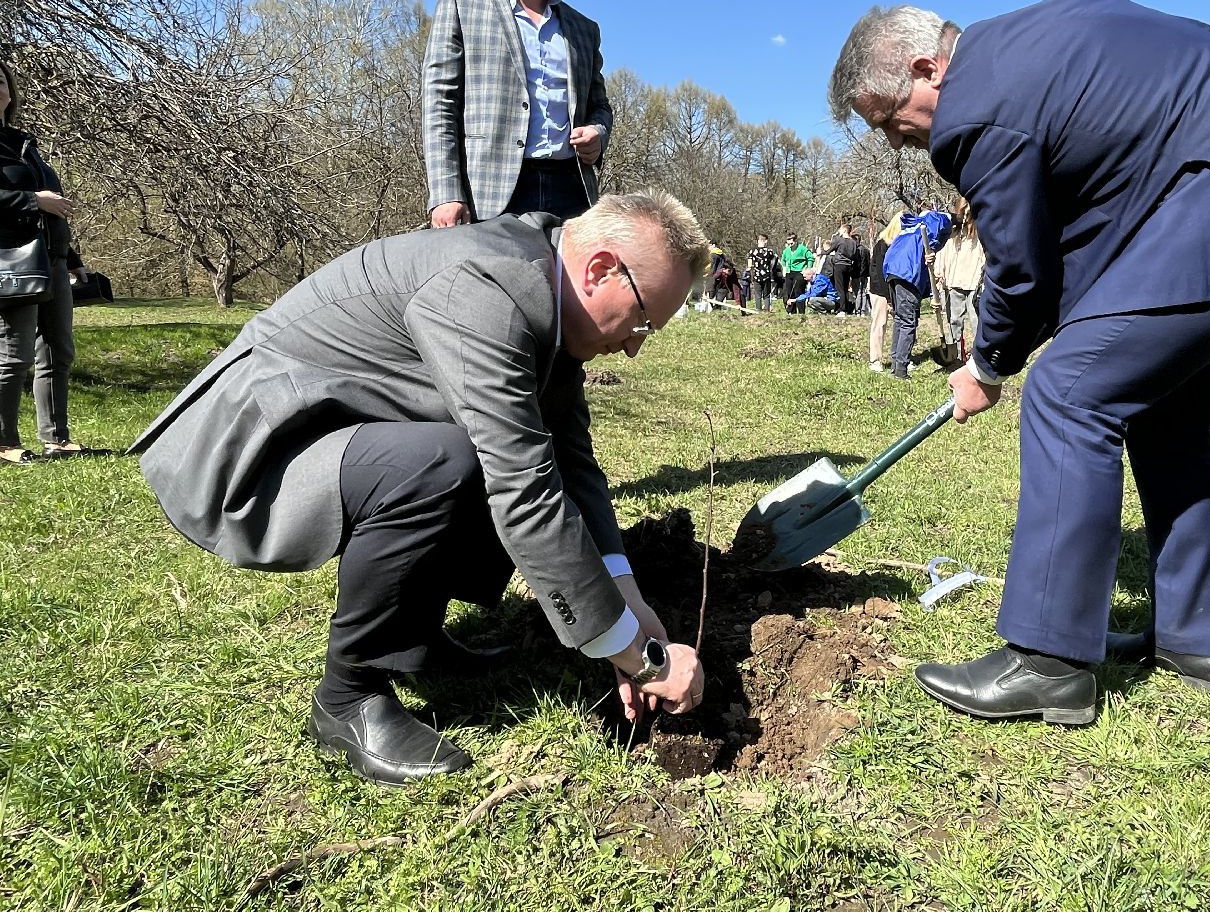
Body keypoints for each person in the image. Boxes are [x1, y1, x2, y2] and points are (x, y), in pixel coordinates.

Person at [830, 0, 1210, 725]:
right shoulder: (1044, 34)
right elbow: (1190, 45)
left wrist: (989, 364)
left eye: (888, 120)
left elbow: (1023, 268)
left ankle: (1050, 660)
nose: (899, 143)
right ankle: (1197, 640)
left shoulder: (973, 108)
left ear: (927, 69)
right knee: (1168, 409)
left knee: (1069, 393)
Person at [131, 191, 710, 785]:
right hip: (251, 448)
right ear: (599, 270)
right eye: (642, 321)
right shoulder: (484, 293)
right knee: (450, 460)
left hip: (339, 430)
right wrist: (642, 660)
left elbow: (573, 464)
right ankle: (347, 698)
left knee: (473, 450)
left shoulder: (549, 294)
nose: (637, 345)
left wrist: (627, 599)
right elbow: (525, 491)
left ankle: (414, 642)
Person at [422, 0, 612, 227]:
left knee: (566, 285)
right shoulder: (462, 4)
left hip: (572, 195)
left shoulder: (585, 31)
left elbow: (599, 107)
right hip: (488, 195)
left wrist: (598, 135)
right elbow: (439, 106)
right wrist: (446, 193)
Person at [1, 57, 107, 466]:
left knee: (58, 352)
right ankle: (4, 442)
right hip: (12, 260)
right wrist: (32, 199)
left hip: (52, 260)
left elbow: (54, 211)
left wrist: (73, 259)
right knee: (14, 354)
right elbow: (37, 202)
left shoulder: (24, 144)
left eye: (1, 79)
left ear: (10, 91)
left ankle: (57, 439)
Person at [883, 208, 951, 379]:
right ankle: (900, 370)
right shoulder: (934, 224)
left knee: (900, 319)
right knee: (908, 322)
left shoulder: (912, 229)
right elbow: (936, 234)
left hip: (893, 271)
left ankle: (896, 364)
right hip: (907, 272)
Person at [932, 197, 985, 364]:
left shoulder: (980, 231)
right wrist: (940, 272)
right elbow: (943, 252)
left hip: (974, 282)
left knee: (976, 319)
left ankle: (979, 356)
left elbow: (984, 256)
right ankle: (954, 354)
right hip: (955, 282)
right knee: (954, 320)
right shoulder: (952, 233)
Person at [867, 220, 896, 372]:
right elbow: (880, 272)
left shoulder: (897, 246)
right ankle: (875, 359)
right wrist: (889, 298)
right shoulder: (882, 245)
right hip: (880, 291)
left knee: (901, 325)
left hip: (894, 291)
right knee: (879, 324)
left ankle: (900, 357)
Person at [828, 222, 859, 314]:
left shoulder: (839, 240)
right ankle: (846, 308)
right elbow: (854, 255)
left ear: (845, 230)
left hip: (839, 265)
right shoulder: (854, 242)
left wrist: (820, 252)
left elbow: (829, 250)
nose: (839, 231)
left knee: (839, 287)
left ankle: (842, 308)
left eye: (841, 229)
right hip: (849, 266)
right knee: (845, 287)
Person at [780, 233, 814, 314]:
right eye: (788, 244)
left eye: (791, 244)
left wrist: (808, 268)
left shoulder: (803, 249)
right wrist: (784, 267)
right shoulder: (786, 250)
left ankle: (801, 311)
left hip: (799, 272)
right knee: (788, 292)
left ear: (796, 241)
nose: (790, 246)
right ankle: (791, 312)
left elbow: (810, 258)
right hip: (789, 272)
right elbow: (783, 260)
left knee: (798, 291)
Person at [746, 234, 780, 312]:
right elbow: (774, 262)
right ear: (766, 241)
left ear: (758, 241)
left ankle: (758, 310)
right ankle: (767, 310)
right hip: (766, 275)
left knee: (758, 295)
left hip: (756, 276)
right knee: (766, 295)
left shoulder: (752, 251)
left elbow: (749, 264)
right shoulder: (769, 251)